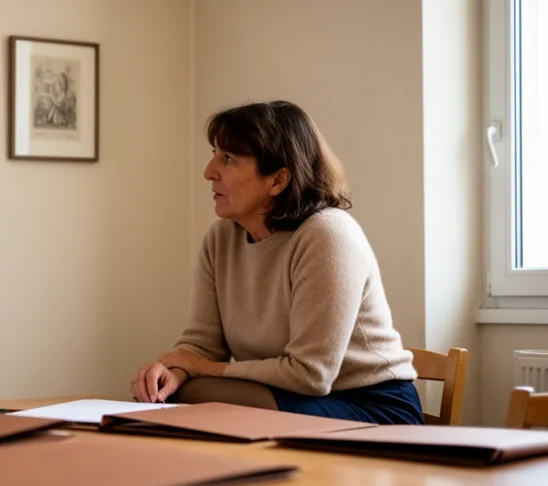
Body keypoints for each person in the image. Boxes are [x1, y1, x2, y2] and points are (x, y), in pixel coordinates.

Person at [130, 100, 422, 426]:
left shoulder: (327, 235)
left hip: (372, 406)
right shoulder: (220, 240)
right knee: (168, 394)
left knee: (194, 395)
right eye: (214, 153)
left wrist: (202, 368)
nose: (209, 171)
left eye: (227, 158)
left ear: (277, 180)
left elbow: (312, 375)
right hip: (289, 396)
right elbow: (201, 344)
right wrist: (174, 370)